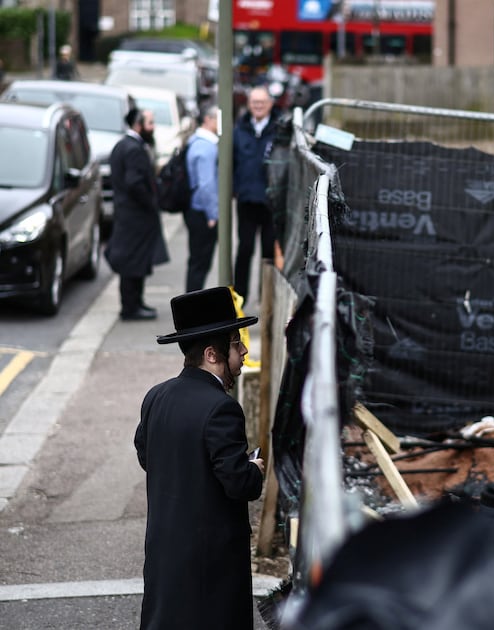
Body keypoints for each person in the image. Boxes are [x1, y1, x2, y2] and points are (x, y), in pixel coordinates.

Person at [134, 287, 266, 630]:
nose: (244, 350)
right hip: (211, 564)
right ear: (212, 353)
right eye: (236, 344)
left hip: (164, 554)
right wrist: (254, 468)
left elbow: (147, 455)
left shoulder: (155, 396)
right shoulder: (222, 408)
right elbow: (240, 484)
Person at [105, 107, 168, 320]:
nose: (153, 127)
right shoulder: (134, 149)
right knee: (133, 263)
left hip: (128, 214)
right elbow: (134, 183)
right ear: (138, 125)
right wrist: (151, 203)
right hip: (136, 217)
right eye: (150, 123)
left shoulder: (123, 145)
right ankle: (131, 308)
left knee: (134, 262)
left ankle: (135, 304)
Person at [232, 86, 280, 302]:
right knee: (244, 249)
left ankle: (266, 298)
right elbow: (229, 162)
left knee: (268, 252)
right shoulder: (239, 130)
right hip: (247, 200)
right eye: (254, 102)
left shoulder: (279, 129)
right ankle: (239, 297)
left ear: (270, 104)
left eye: (262, 102)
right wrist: (236, 189)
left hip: (271, 202)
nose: (258, 106)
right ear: (248, 104)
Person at [185, 107, 220, 292]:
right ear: (208, 119)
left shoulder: (196, 142)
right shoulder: (206, 148)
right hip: (202, 212)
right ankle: (192, 308)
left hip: (196, 209)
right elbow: (206, 185)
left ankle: (192, 305)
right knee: (200, 263)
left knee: (196, 261)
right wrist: (212, 214)